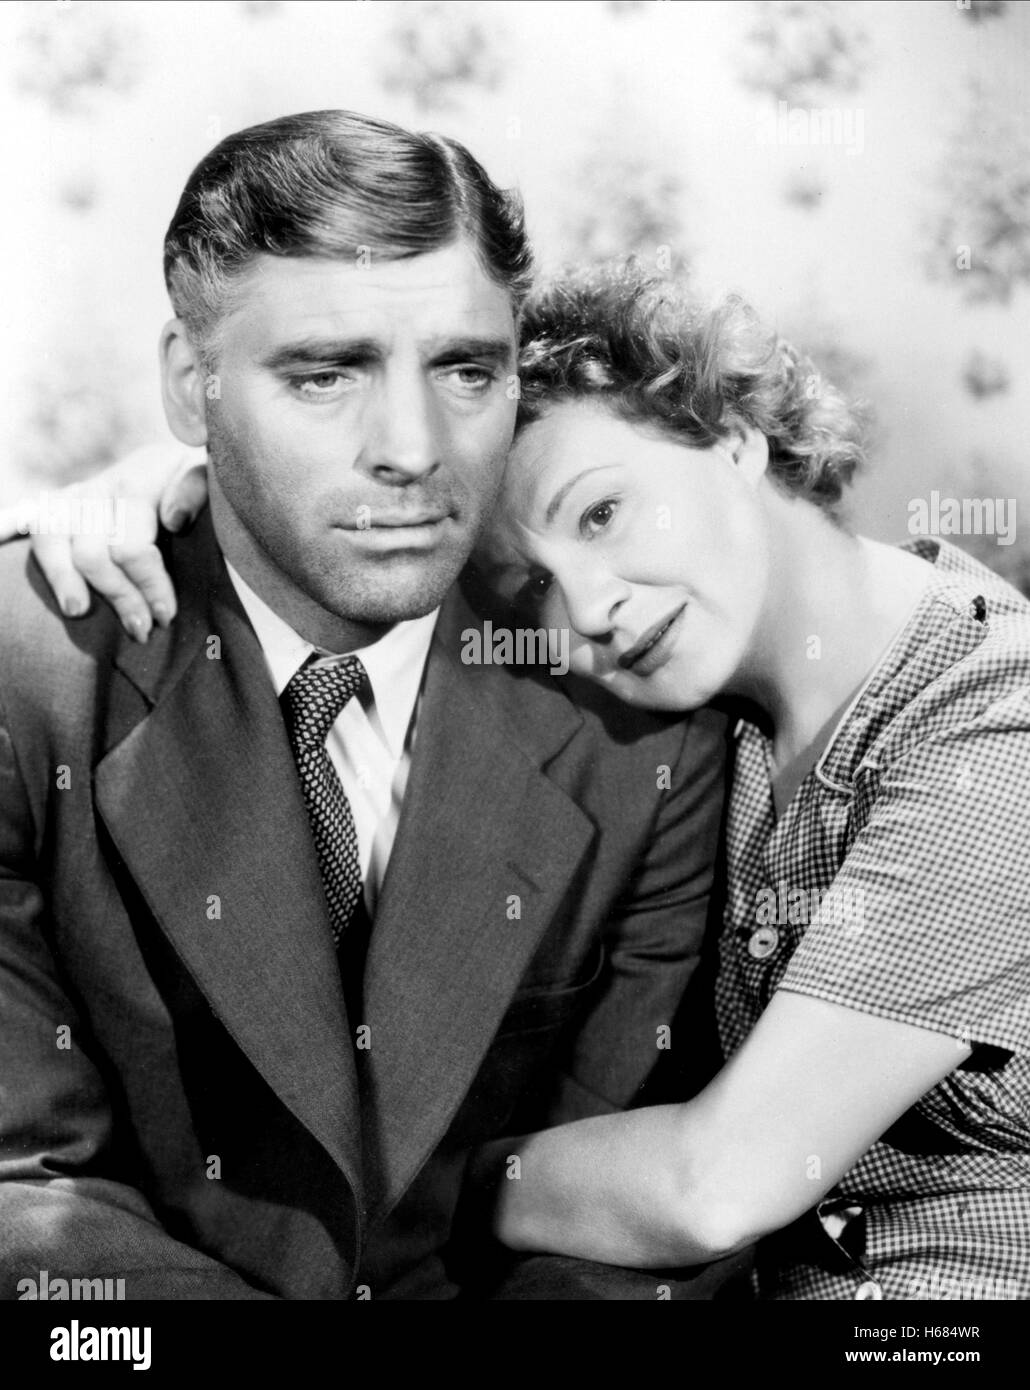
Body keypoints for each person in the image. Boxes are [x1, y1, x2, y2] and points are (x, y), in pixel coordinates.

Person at [43, 264, 1030, 1301]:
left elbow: (719, 1183)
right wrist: (169, 480)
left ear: (732, 436)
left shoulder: (994, 721)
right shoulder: (697, 710)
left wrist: (431, 1189)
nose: (591, 607)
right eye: (535, 586)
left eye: (600, 514)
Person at [0, 114, 735, 1302]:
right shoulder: (28, 673)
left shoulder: (632, 692)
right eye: (324, 374)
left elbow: (621, 1218)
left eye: (466, 370)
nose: (413, 450)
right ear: (192, 388)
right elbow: (26, 1201)